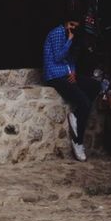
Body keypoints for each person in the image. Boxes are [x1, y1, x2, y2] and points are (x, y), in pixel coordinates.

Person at [43, 16, 99, 161]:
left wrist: (73, 71)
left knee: (95, 85)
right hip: (55, 76)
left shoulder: (73, 36)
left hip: (67, 74)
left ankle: (76, 115)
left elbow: (71, 59)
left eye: (76, 25)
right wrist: (69, 40)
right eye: (71, 24)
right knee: (85, 102)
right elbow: (58, 57)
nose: (73, 28)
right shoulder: (57, 33)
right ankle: (78, 142)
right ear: (66, 22)